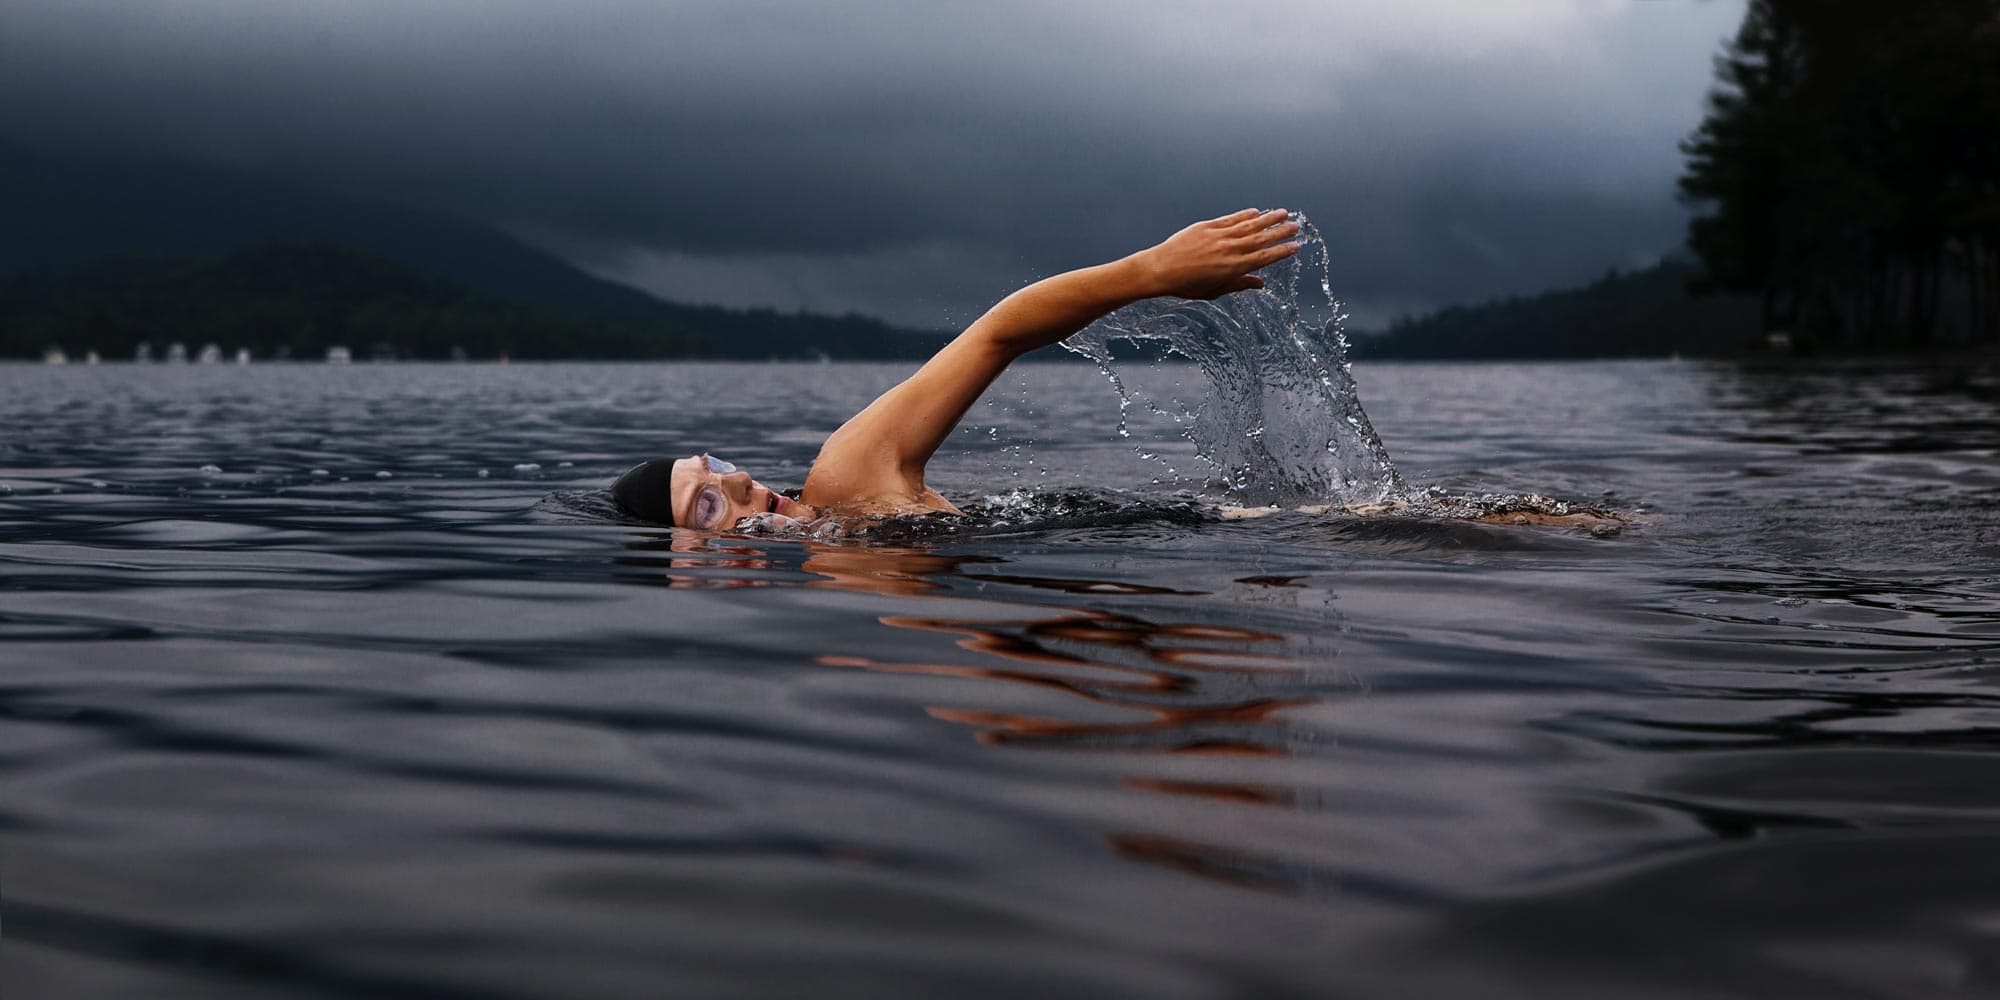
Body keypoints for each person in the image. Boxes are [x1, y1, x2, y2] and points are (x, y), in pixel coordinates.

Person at [611, 208, 1303, 530]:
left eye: (717, 466)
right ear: (687, 567)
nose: (737, 479)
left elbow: (996, 335)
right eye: (706, 503)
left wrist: (1151, 272)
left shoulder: (846, 479)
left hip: (1261, 529)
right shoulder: (839, 596)